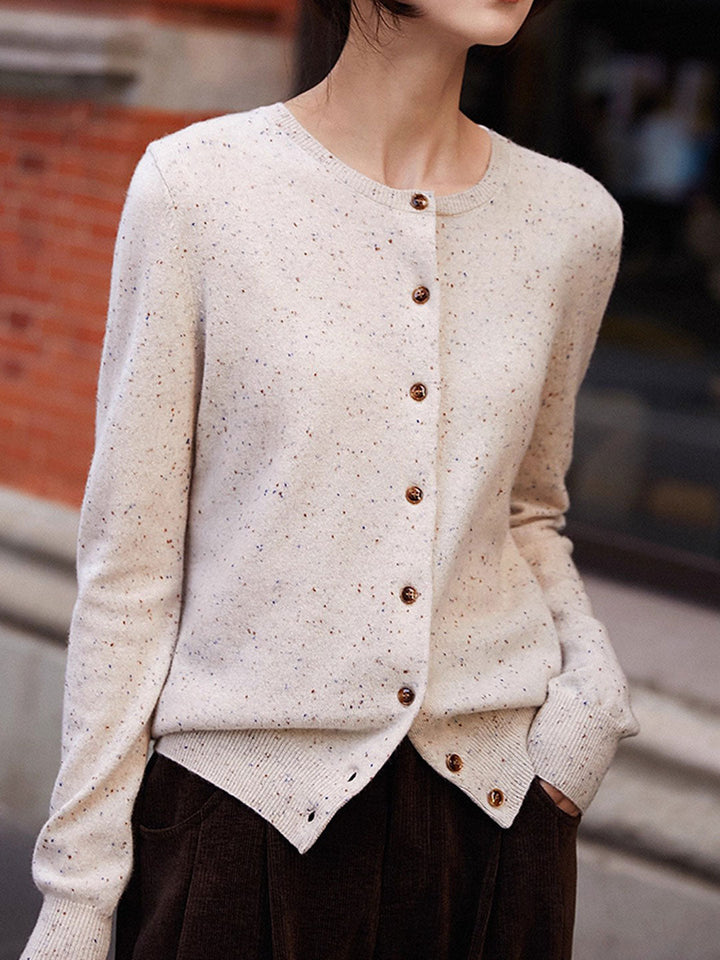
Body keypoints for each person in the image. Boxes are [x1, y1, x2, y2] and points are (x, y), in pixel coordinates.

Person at [22, 1, 639, 958]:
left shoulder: (573, 222)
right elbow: (132, 568)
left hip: (496, 826)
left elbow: (527, 510)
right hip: (241, 827)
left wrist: (591, 685)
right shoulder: (198, 190)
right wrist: (76, 902)